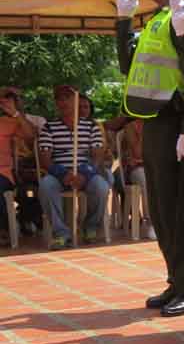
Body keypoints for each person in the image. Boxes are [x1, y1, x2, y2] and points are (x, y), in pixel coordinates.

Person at [115, 0, 184, 316]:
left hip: (175, 123)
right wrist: (123, 20)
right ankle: (177, 280)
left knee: (180, 207)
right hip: (153, 123)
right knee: (161, 208)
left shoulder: (183, 17)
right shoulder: (155, 20)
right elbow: (127, 66)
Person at [37, 85, 110, 249]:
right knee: (45, 186)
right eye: (59, 98)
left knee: (101, 187)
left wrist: (84, 174)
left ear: (76, 101)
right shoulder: (49, 127)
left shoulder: (91, 126)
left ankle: (90, 226)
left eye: (67, 98)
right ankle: (61, 233)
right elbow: (45, 159)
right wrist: (63, 174)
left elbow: (97, 155)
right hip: (59, 174)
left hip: (86, 173)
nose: (63, 102)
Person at [0, 87, 36, 246]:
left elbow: (31, 136)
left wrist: (15, 113)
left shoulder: (13, 121)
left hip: (3, 172)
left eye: (9, 99)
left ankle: (4, 229)